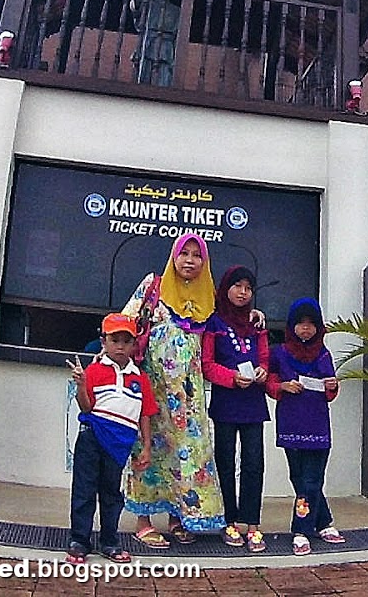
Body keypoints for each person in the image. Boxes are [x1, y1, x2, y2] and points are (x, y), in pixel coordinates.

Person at [120, 233, 238, 546]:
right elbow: (126, 323)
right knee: (147, 450)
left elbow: (234, 320)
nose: (189, 260)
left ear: (205, 261)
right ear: (174, 256)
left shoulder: (209, 298)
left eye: (196, 255)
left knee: (186, 456)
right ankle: (143, 521)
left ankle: (179, 517)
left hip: (188, 400)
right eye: (183, 253)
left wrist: (254, 316)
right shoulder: (153, 286)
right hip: (152, 391)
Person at [66, 313, 157, 564]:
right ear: (103, 341)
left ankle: (110, 541)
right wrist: (82, 386)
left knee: (111, 493)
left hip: (119, 445)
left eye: (126, 341)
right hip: (92, 437)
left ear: (134, 345)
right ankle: (79, 541)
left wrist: (146, 447)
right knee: (84, 490)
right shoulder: (94, 371)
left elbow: (145, 414)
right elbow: (86, 408)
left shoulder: (140, 378)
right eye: (114, 339)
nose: (120, 346)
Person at [267, 297, 345, 556]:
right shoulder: (279, 352)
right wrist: (282, 386)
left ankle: (301, 530)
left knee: (312, 479)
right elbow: (269, 382)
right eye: (300, 324)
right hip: (291, 422)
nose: (306, 329)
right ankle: (324, 522)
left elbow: (330, 390)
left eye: (311, 324)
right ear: (291, 326)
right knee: (300, 478)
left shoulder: (323, 353)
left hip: (318, 424)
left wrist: (333, 387)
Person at [202, 265, 271, 552]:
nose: (243, 293)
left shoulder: (257, 325)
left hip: (254, 403)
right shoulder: (213, 323)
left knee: (254, 463)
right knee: (225, 462)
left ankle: (252, 524)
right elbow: (206, 365)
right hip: (226, 403)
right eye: (237, 286)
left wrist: (263, 371)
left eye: (248, 288)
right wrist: (231, 378)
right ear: (226, 288)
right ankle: (228, 521)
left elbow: (265, 359)